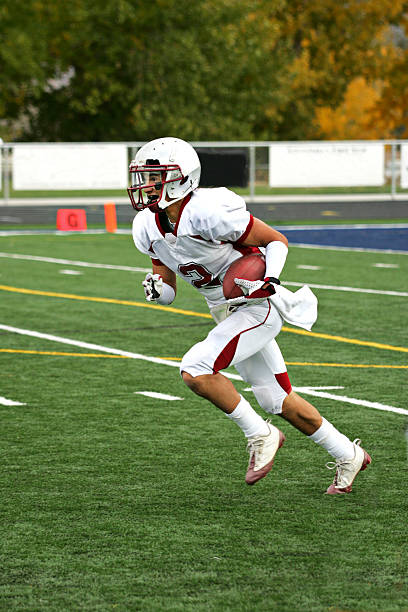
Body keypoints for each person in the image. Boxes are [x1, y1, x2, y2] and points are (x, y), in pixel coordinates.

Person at [129, 136, 371, 494]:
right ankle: (348, 454)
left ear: (182, 177)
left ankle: (261, 434)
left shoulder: (207, 211)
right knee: (276, 399)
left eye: (155, 176)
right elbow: (167, 286)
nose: (146, 185)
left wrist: (269, 281)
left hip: (255, 303)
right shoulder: (147, 226)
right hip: (223, 309)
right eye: (144, 177)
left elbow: (275, 240)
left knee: (195, 369)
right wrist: (157, 290)